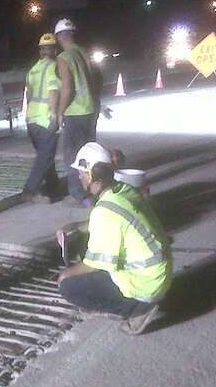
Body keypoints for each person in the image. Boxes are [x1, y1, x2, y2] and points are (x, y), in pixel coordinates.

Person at [57, 142, 172, 335]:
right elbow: (110, 222)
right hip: (158, 273)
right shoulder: (124, 190)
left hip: (145, 283)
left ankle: (137, 309)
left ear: (92, 175)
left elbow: (94, 265)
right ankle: (137, 301)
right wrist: (76, 227)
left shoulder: (105, 212)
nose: (79, 176)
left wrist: (65, 275)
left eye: (81, 172)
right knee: (83, 242)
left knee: (69, 287)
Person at [54, 18, 100, 208]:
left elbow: (67, 89)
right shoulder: (84, 53)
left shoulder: (64, 58)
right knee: (90, 154)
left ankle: (79, 195)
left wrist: (60, 111)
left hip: (76, 113)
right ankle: (96, 189)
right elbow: (97, 78)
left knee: (73, 155)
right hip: (91, 109)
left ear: (58, 37)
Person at [22, 33, 61, 203]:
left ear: (40, 51)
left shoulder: (33, 70)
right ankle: (30, 191)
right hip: (45, 119)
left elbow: (29, 95)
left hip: (31, 119)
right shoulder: (54, 67)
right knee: (45, 157)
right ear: (54, 50)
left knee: (45, 155)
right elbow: (54, 91)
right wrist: (54, 115)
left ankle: (54, 186)